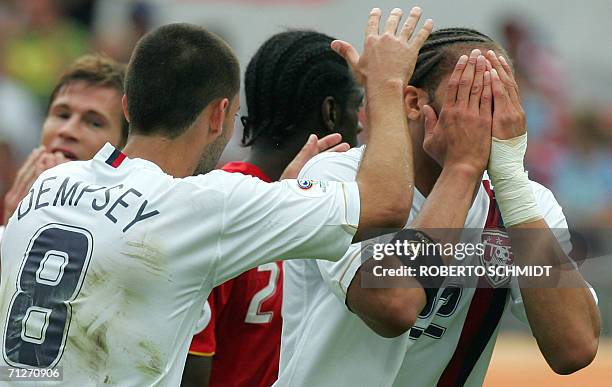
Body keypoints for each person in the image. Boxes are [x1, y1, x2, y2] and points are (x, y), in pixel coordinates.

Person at [0, 8, 433, 386]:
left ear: (127, 107)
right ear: (219, 114)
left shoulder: (48, 183)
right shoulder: (213, 204)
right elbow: (388, 211)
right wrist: (389, 84)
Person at [277, 28, 600, 387]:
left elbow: (575, 349)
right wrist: (461, 167)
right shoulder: (339, 177)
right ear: (414, 103)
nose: (488, 116)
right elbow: (392, 304)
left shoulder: (524, 201)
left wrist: (510, 181)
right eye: (469, 96)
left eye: (501, 99)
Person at [182, 30, 362, 387]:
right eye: (357, 105)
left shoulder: (329, 207)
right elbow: (186, 371)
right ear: (331, 112)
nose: (361, 123)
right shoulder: (220, 209)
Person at [0, 54, 128, 239]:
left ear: (124, 146)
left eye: (93, 123)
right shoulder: (11, 206)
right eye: (62, 115)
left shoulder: (134, 233)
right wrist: (13, 222)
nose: (67, 131)